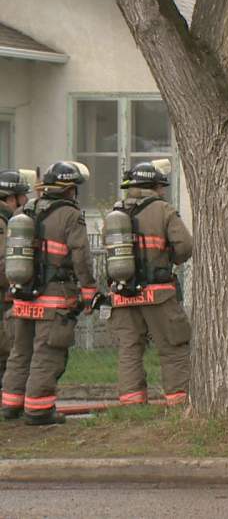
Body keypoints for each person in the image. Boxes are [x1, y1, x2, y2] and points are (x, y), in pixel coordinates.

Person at [0, 161, 97, 426]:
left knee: (20, 353)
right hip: (53, 299)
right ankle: (39, 410)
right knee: (47, 353)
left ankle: (10, 405)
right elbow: (81, 256)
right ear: (69, 190)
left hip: (22, 297)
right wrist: (89, 290)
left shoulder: (24, 210)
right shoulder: (70, 215)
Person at [105, 159, 193, 407]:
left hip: (122, 295)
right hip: (158, 294)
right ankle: (179, 402)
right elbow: (185, 246)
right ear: (154, 186)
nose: (163, 191)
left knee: (130, 349)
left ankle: (132, 404)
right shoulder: (163, 210)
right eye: (160, 186)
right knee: (173, 347)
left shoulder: (116, 213)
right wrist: (170, 259)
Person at [0, 169, 34, 390]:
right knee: (6, 352)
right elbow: (4, 263)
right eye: (23, 196)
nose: (26, 201)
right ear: (11, 198)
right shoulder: (3, 223)